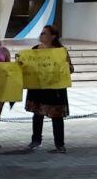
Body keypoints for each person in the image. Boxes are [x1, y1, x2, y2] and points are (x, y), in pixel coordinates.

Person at [24, 25, 73, 154]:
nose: (41, 35)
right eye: (41, 33)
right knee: (37, 115)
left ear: (53, 36)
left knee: (56, 117)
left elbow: (71, 69)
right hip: (38, 88)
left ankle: (59, 144)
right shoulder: (34, 50)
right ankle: (36, 140)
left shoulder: (60, 51)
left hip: (55, 89)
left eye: (45, 33)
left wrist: (66, 67)